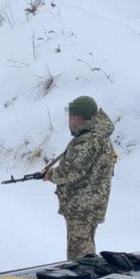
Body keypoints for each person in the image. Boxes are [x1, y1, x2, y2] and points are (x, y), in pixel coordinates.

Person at [44, 96, 116, 260]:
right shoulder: (97, 137)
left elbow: (71, 172)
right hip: (88, 204)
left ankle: (83, 276)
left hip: (83, 206)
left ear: (81, 117)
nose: (69, 120)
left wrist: (51, 175)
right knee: (83, 250)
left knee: (79, 256)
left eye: (72, 115)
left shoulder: (89, 141)